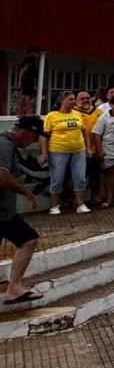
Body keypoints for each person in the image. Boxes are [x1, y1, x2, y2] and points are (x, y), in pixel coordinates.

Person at [1, 117, 46, 304]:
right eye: (35, 138)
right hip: (1, 211)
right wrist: (25, 192)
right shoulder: (5, 145)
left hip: (4, 209)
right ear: (28, 133)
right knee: (28, 239)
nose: (34, 143)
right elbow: (1, 176)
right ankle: (14, 288)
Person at [40, 90, 92, 215]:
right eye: (70, 99)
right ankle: (55, 206)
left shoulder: (77, 114)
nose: (73, 101)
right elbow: (44, 136)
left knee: (80, 178)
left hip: (78, 150)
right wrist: (44, 153)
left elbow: (84, 132)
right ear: (62, 101)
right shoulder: (52, 116)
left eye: (74, 99)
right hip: (58, 151)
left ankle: (80, 204)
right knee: (57, 178)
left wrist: (88, 148)